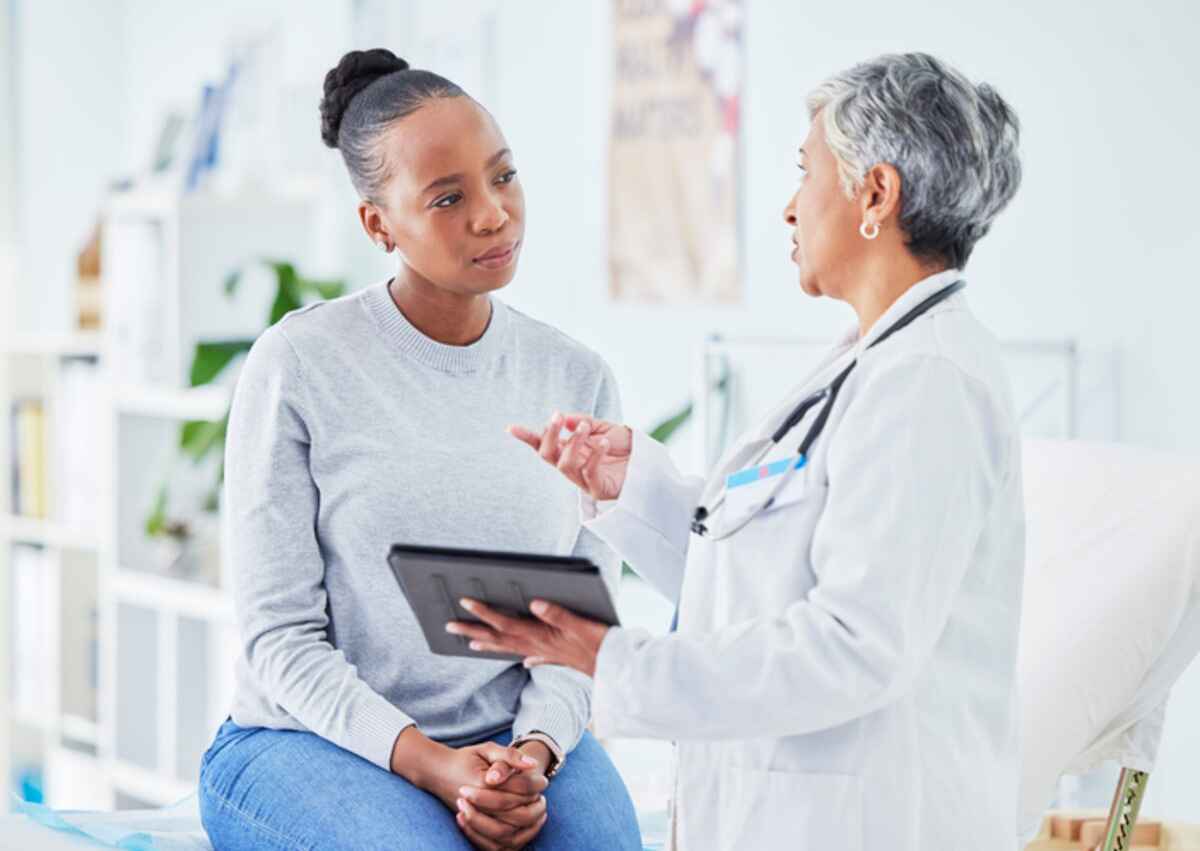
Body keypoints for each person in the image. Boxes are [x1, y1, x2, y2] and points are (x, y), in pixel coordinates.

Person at [449, 52, 1026, 849]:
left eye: (805, 171)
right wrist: (634, 489)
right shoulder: (871, 364)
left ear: (876, 194)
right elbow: (762, 580)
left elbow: (855, 647)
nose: (790, 207)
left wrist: (615, 659)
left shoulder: (927, 381)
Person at [198, 48, 642, 851]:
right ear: (379, 224)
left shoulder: (576, 375)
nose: (492, 214)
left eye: (503, 177)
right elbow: (279, 639)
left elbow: (578, 624)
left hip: (515, 736)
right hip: (307, 740)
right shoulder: (300, 364)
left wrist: (533, 752)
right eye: (448, 197)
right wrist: (434, 764)